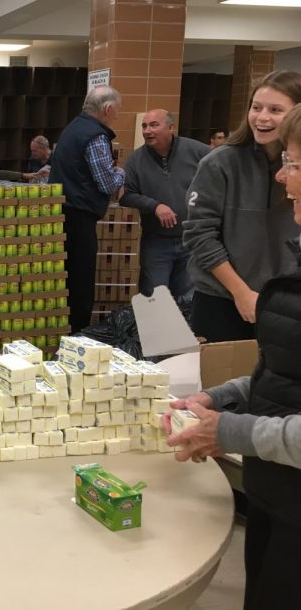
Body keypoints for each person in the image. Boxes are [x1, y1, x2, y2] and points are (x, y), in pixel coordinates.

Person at [164, 102, 301, 610]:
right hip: (280, 494)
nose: (283, 176)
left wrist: (227, 431)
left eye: (293, 162)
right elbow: (285, 374)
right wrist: (221, 398)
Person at [183, 70, 301, 342]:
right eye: (256, 107)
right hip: (222, 299)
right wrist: (241, 293)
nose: (262, 117)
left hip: (283, 300)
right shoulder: (219, 164)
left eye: (275, 110)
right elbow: (199, 235)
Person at [48, 85, 125, 333]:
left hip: (62, 210)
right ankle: (79, 335)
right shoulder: (95, 136)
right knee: (81, 280)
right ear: (108, 108)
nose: (116, 117)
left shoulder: (73, 128)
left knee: (68, 276)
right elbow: (106, 182)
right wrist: (122, 173)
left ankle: (65, 329)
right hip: (80, 214)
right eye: (116, 112)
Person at [119, 110, 209, 299]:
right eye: (144, 126)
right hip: (156, 243)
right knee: (155, 299)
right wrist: (154, 206)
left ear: (170, 128)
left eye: (153, 125)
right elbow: (126, 195)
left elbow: (219, 179)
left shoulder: (198, 151)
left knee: (188, 299)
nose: (147, 131)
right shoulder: (136, 160)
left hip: (191, 240)